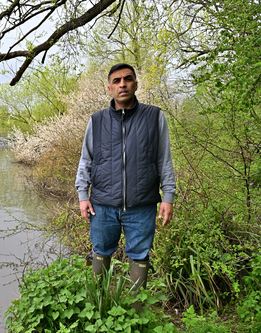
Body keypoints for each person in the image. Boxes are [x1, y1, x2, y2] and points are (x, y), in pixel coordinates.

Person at [75, 63, 175, 295]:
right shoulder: (97, 120)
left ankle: (135, 313)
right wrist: (82, 195)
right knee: (100, 251)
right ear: (109, 88)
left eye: (128, 79)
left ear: (136, 85)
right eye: (117, 81)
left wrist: (168, 196)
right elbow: (86, 160)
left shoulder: (154, 117)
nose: (123, 84)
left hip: (142, 205)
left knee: (140, 255)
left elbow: (164, 160)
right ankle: (99, 306)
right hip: (102, 204)